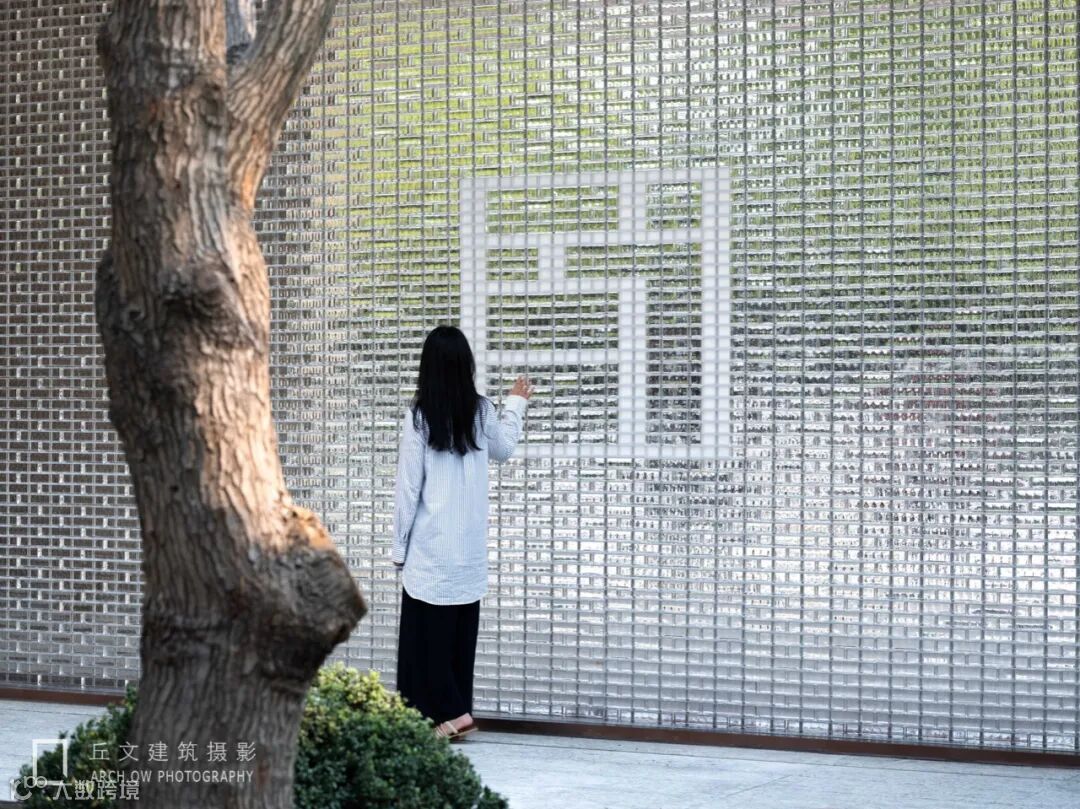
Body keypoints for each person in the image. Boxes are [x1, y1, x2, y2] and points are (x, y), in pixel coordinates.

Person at [392, 324, 534, 741]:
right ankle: (452, 717)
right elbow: (504, 450)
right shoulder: (482, 411)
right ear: (465, 365)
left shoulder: (420, 416)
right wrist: (516, 403)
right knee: (458, 640)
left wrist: (398, 547)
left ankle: (450, 715)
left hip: (430, 551)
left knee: (423, 642)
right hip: (469, 552)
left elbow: (408, 488)